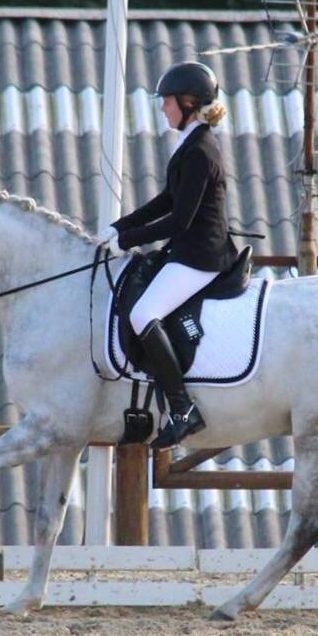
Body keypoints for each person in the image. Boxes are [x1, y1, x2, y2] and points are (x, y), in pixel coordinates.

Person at [101, 60, 237, 447]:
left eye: (168, 102)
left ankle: (182, 409)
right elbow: (166, 200)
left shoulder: (200, 151)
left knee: (143, 313)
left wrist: (128, 241)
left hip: (201, 256)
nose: (163, 108)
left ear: (189, 103)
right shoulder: (192, 143)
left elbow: (180, 219)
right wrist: (120, 227)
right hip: (188, 250)